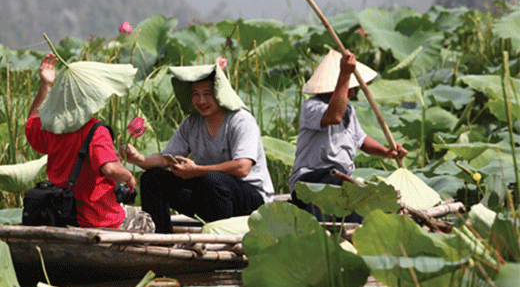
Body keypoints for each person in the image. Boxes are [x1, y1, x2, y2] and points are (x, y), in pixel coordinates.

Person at [122, 64, 275, 233]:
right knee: (152, 178)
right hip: (210, 195)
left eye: (207, 94)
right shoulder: (191, 123)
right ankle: (160, 238)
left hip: (251, 200)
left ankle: (220, 240)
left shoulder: (241, 120)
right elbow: (165, 158)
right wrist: (138, 159)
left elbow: (243, 167)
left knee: (212, 179)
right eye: (196, 94)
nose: (201, 101)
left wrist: (197, 170)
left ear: (220, 94)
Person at [26, 53, 154, 231]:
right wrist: (128, 176)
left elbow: (32, 120)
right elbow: (109, 169)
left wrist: (45, 84)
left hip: (62, 214)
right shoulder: (96, 130)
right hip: (99, 219)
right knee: (146, 221)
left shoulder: (50, 126)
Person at [289, 49, 408, 222]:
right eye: (349, 84)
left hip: (340, 181)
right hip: (310, 181)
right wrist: (345, 73)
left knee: (359, 203)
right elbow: (334, 117)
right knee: (333, 180)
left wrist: (386, 152)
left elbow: (361, 139)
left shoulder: (349, 110)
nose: (353, 90)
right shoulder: (312, 106)